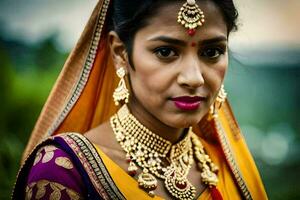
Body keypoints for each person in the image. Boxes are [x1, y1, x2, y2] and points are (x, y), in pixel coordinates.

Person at [12, 0, 268, 199]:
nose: (194, 78)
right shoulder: (64, 170)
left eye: (212, 52)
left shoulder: (225, 166)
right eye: (166, 51)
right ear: (120, 53)